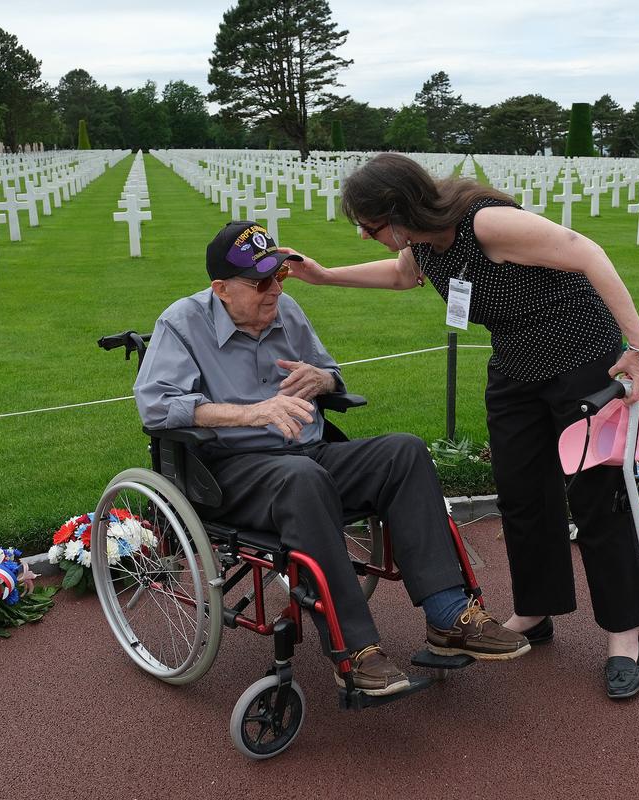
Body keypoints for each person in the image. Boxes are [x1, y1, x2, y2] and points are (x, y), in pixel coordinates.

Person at [283, 154, 639, 699]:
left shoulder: (485, 223)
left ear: (397, 210)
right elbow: (401, 276)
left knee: (597, 497)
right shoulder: (425, 245)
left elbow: (586, 252)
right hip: (514, 370)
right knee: (522, 496)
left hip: (580, 361)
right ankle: (536, 609)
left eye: (368, 226)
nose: (365, 237)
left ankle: (624, 635)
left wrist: (638, 350)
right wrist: (321, 276)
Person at [133, 220, 530, 697]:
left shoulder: (287, 311)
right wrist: (250, 412)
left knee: (404, 451)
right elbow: (156, 405)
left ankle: (449, 617)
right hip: (233, 470)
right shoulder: (181, 322)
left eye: (279, 276)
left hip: (308, 454)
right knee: (303, 477)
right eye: (261, 282)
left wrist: (324, 382)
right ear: (221, 289)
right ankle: (355, 650)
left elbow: (330, 371)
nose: (274, 290)